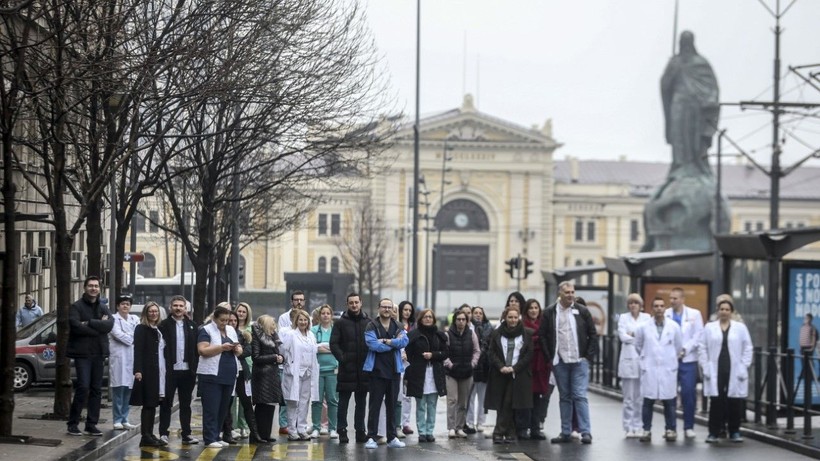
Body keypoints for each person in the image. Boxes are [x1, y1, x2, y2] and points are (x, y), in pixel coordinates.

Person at [540, 281, 597, 444]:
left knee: (579, 395)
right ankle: (565, 431)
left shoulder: (582, 311)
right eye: (567, 292)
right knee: (565, 397)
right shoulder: (550, 312)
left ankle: (585, 432)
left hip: (579, 361)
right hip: (560, 361)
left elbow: (592, 334)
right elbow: (543, 335)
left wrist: (587, 356)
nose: (571, 295)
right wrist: (549, 358)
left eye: (572, 292)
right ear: (560, 293)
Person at [661, 30, 720, 180]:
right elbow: (665, 85)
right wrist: (671, 72)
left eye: (687, 42)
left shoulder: (701, 62)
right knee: (679, 137)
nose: (685, 45)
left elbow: (712, 87)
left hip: (696, 108)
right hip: (678, 105)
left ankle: (696, 165)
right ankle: (680, 165)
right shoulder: (675, 62)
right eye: (683, 42)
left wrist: (709, 101)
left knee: (695, 139)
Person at [699, 298, 753, 443]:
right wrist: (705, 365)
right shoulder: (709, 327)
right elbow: (702, 347)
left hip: (734, 369)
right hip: (715, 369)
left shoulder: (740, 328)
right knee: (716, 401)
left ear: (731, 312)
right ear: (718, 311)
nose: (724, 312)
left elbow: (748, 347)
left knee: (734, 401)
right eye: (721, 309)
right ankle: (713, 432)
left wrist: (744, 365)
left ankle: (734, 431)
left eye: (727, 309)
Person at [66, 276, 113, 437]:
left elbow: (109, 325)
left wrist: (90, 323)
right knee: (83, 387)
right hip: (82, 354)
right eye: (90, 286)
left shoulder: (103, 307)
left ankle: (91, 424)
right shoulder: (76, 307)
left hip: (99, 353)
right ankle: (73, 423)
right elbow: (76, 326)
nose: (93, 288)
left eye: (96, 286)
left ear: (99, 289)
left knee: (96, 390)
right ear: (85, 288)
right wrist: (98, 326)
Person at [362, 298, 408, 449]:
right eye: (384, 307)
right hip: (377, 372)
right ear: (379, 308)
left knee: (392, 406)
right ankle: (372, 437)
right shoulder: (371, 325)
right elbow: (373, 345)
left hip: (394, 371)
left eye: (389, 307)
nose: (387, 309)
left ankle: (392, 437)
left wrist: (387, 342)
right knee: (374, 406)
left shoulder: (398, 325)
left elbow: (404, 342)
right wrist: (394, 343)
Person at [635, 297, 683, 443]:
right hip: (650, 368)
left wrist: (667, 360)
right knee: (648, 401)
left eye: (662, 306)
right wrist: (647, 360)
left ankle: (670, 429)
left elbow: (678, 347)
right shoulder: (643, 327)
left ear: (665, 308)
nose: (659, 309)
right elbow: (638, 346)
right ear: (652, 309)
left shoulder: (674, 326)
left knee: (669, 401)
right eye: (656, 306)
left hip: (667, 368)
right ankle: (646, 430)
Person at [486, 306, 534, 444]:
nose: (513, 320)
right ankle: (510, 432)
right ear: (505, 318)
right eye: (510, 317)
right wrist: (501, 366)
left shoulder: (526, 334)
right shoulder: (496, 334)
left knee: (509, 402)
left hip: (518, 375)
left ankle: (499, 432)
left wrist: (514, 368)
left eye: (515, 317)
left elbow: (528, 355)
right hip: (500, 374)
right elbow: (492, 352)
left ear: (519, 318)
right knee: (503, 403)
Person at [197, 305, 243, 449]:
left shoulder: (230, 330)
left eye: (227, 320)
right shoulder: (206, 330)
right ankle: (209, 438)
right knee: (212, 407)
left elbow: (240, 350)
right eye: (222, 320)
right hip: (211, 375)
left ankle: (217, 435)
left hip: (228, 374)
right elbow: (202, 350)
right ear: (215, 318)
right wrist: (221, 348)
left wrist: (237, 349)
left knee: (223, 408)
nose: (225, 323)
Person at [330, 292, 371, 444]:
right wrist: (343, 358)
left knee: (361, 403)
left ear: (361, 303)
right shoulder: (340, 323)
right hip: (347, 369)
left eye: (356, 302)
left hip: (363, 370)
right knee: (343, 403)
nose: (354, 305)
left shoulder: (369, 322)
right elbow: (334, 344)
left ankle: (361, 431)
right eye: (351, 303)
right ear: (347, 305)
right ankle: (342, 430)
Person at [158, 295, 200, 445]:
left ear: (185, 308)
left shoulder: (192, 325)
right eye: (175, 305)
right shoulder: (163, 325)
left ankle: (186, 434)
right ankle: (163, 433)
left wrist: (195, 369)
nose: (178, 308)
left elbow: (196, 349)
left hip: (187, 371)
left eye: (181, 306)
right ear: (171, 307)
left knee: (185, 404)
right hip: (170, 371)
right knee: (166, 403)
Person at [664, 287, 704, 439]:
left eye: (675, 298)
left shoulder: (694, 314)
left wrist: (685, 349)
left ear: (682, 299)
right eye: (671, 298)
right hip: (670, 360)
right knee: (670, 395)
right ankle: (671, 427)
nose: (672, 301)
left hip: (688, 360)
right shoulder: (666, 314)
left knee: (688, 393)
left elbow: (698, 335)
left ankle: (688, 426)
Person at [405, 308, 448, 443]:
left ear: (434, 319)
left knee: (432, 404)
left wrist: (433, 355)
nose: (428, 319)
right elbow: (408, 355)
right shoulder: (414, 335)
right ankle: (422, 432)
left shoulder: (440, 335)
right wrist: (408, 373)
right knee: (421, 404)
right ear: (420, 319)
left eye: (430, 317)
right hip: (419, 373)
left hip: (434, 373)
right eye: (425, 317)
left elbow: (446, 353)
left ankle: (430, 431)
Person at [131, 302, 167, 447]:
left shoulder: (159, 329)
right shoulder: (141, 328)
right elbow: (138, 350)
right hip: (147, 370)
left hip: (160, 369)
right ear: (146, 313)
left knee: (154, 403)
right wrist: (138, 370)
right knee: (148, 403)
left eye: (156, 311)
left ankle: (150, 433)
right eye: (151, 311)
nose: (153, 314)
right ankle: (145, 436)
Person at [280, 309, 320, 441]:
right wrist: (290, 365)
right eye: (300, 320)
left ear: (308, 322)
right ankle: (292, 430)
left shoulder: (311, 335)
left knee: (304, 401)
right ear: (296, 321)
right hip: (294, 373)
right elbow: (284, 351)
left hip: (308, 372)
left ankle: (301, 428)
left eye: (305, 320)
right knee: (293, 402)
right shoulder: (291, 335)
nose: (303, 322)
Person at [222, 311, 261, 444]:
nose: (232, 323)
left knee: (247, 403)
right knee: (227, 404)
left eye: (234, 321)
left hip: (242, 373)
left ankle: (254, 434)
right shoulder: (221, 335)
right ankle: (227, 433)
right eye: (229, 320)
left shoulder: (242, 335)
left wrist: (240, 352)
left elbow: (249, 350)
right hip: (228, 373)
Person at [618, 293, 651, 438]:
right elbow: (622, 336)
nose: (633, 305)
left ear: (640, 305)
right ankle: (628, 427)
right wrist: (637, 337)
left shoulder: (647, 318)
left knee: (640, 398)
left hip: (642, 360)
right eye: (631, 303)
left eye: (636, 303)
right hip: (627, 360)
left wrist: (632, 334)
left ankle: (638, 426)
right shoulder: (623, 318)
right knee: (628, 398)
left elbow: (648, 337)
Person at [517, 298, 550, 440]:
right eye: (531, 308)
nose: (534, 310)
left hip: (541, 364)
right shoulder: (521, 324)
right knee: (525, 398)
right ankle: (523, 428)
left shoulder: (543, 324)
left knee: (538, 398)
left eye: (536, 308)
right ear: (526, 310)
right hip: (526, 364)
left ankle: (535, 428)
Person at [444, 309, 480, 439]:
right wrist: (450, 365)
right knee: (452, 400)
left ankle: (459, 427)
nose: (461, 322)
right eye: (458, 319)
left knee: (463, 403)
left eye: (463, 319)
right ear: (455, 321)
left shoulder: (471, 334)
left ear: (467, 321)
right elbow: (444, 352)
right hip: (452, 373)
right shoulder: (448, 335)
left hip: (467, 372)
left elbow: (477, 351)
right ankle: (451, 428)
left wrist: (472, 364)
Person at [276, 290, 306, 434]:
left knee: (300, 397)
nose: (299, 302)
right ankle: (284, 424)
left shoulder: (307, 317)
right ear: (291, 301)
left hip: (301, 365)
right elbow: (283, 340)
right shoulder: (283, 318)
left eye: (301, 300)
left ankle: (296, 424)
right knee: (286, 395)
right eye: (296, 300)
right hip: (286, 364)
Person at [108, 295, 140, 430]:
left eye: (127, 304)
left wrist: (131, 337)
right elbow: (118, 335)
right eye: (122, 304)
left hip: (132, 357)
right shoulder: (113, 319)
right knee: (118, 389)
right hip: (119, 358)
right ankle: (117, 419)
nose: (125, 306)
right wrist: (132, 338)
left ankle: (125, 418)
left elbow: (139, 334)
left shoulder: (135, 319)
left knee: (129, 389)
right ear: (117, 306)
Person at [251, 314, 284, 443]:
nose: (274, 327)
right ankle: (258, 434)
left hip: (272, 375)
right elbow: (256, 357)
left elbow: (278, 353)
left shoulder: (273, 337)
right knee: (262, 406)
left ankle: (266, 433)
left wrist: (281, 358)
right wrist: (274, 358)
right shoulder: (257, 338)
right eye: (272, 324)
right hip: (262, 375)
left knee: (270, 405)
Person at [310, 304, 339, 439]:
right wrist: (328, 347)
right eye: (323, 313)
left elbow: (338, 348)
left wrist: (322, 347)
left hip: (333, 370)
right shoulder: (314, 330)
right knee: (317, 400)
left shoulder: (336, 330)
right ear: (319, 316)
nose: (325, 315)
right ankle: (316, 427)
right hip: (318, 370)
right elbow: (312, 348)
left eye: (328, 313)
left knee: (332, 400)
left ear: (331, 315)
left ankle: (332, 428)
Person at [465, 305, 493, 434]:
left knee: (482, 397)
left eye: (480, 313)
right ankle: (469, 421)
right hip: (471, 367)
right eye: (475, 312)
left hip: (484, 367)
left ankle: (481, 422)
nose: (477, 315)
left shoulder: (489, 329)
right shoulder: (468, 328)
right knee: (470, 397)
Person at [231, 302, 254, 439]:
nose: (240, 314)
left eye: (243, 312)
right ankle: (233, 426)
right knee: (232, 398)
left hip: (247, 366)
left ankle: (243, 426)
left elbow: (251, 349)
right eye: (238, 311)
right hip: (233, 366)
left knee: (246, 398)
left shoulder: (251, 329)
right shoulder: (229, 327)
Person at [397, 300, 416, 436]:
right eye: (405, 310)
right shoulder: (396, 325)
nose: (407, 312)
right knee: (398, 394)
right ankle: (396, 422)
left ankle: (406, 423)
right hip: (399, 362)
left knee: (408, 394)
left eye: (410, 310)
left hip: (411, 363)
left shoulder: (414, 326)